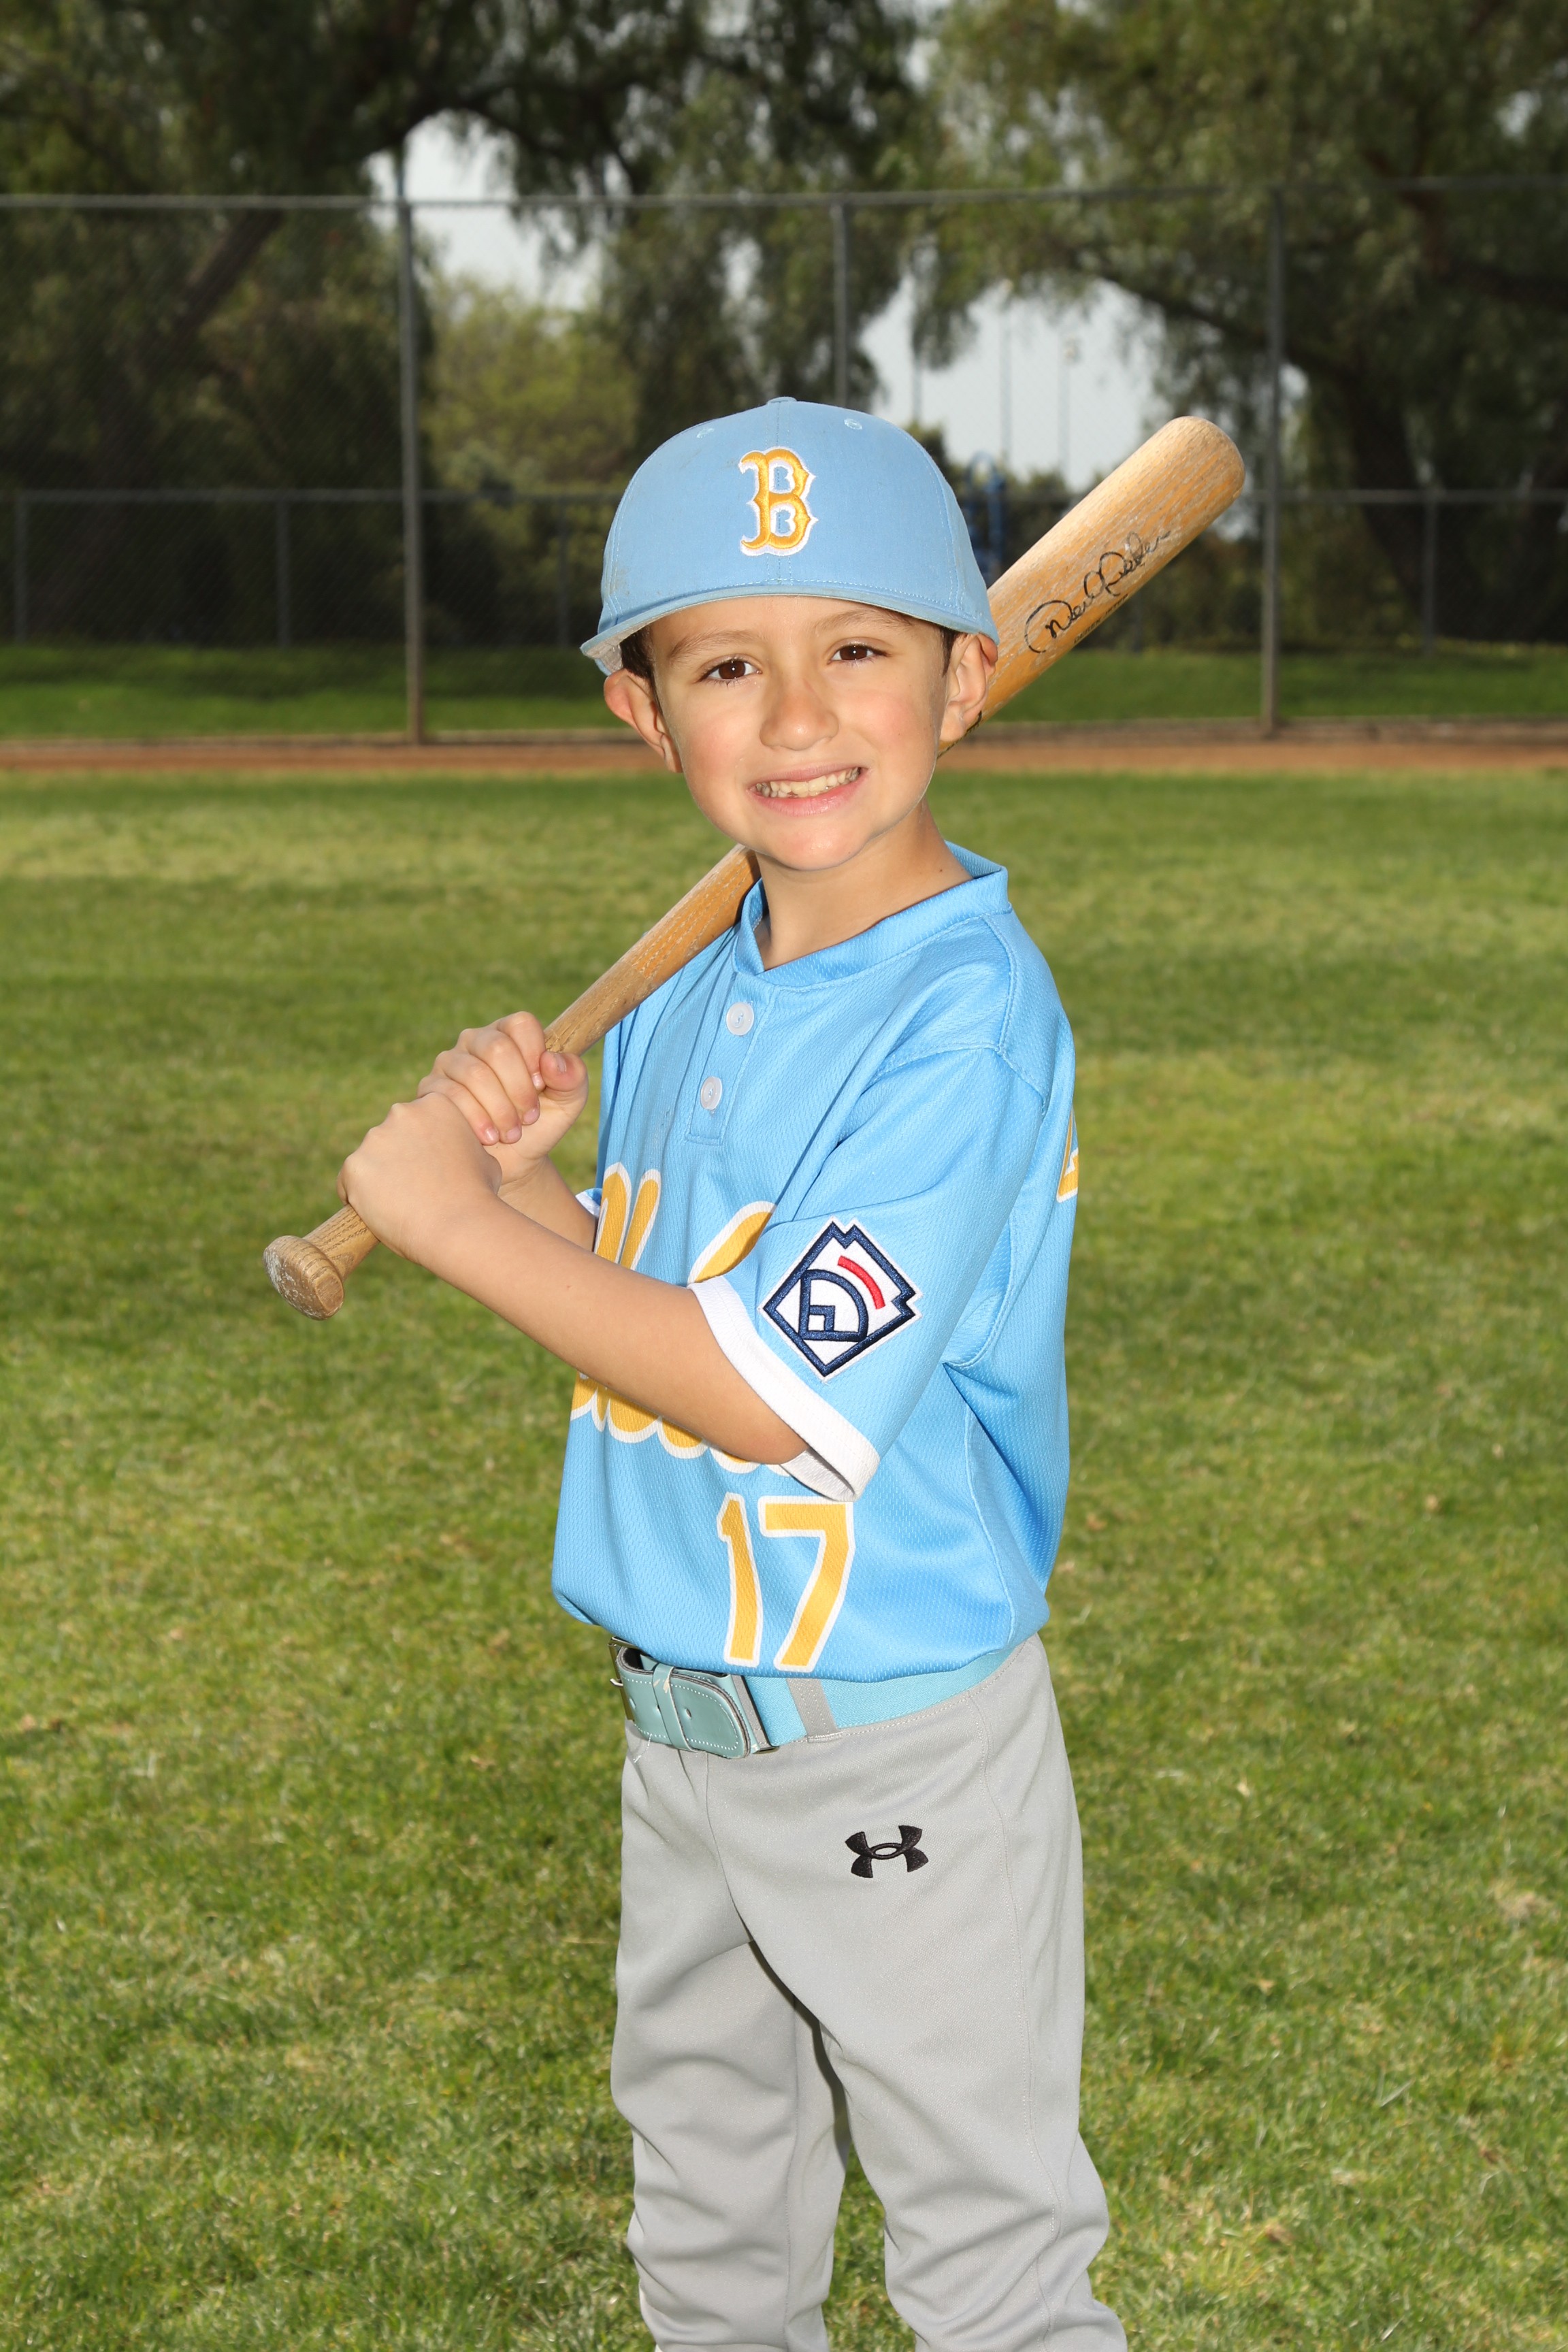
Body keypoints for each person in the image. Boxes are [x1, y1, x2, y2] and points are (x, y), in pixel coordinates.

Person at [339, 397, 1124, 2352]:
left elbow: (774, 1393)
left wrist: (459, 1235)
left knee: (991, 2268)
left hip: (892, 1739)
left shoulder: (964, 1020)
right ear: (644, 712)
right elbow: (670, 1315)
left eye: (856, 647)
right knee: (709, 2235)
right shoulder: (703, 981)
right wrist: (536, 1194)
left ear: (965, 675)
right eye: (723, 667)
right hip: (683, 1730)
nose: (796, 717)